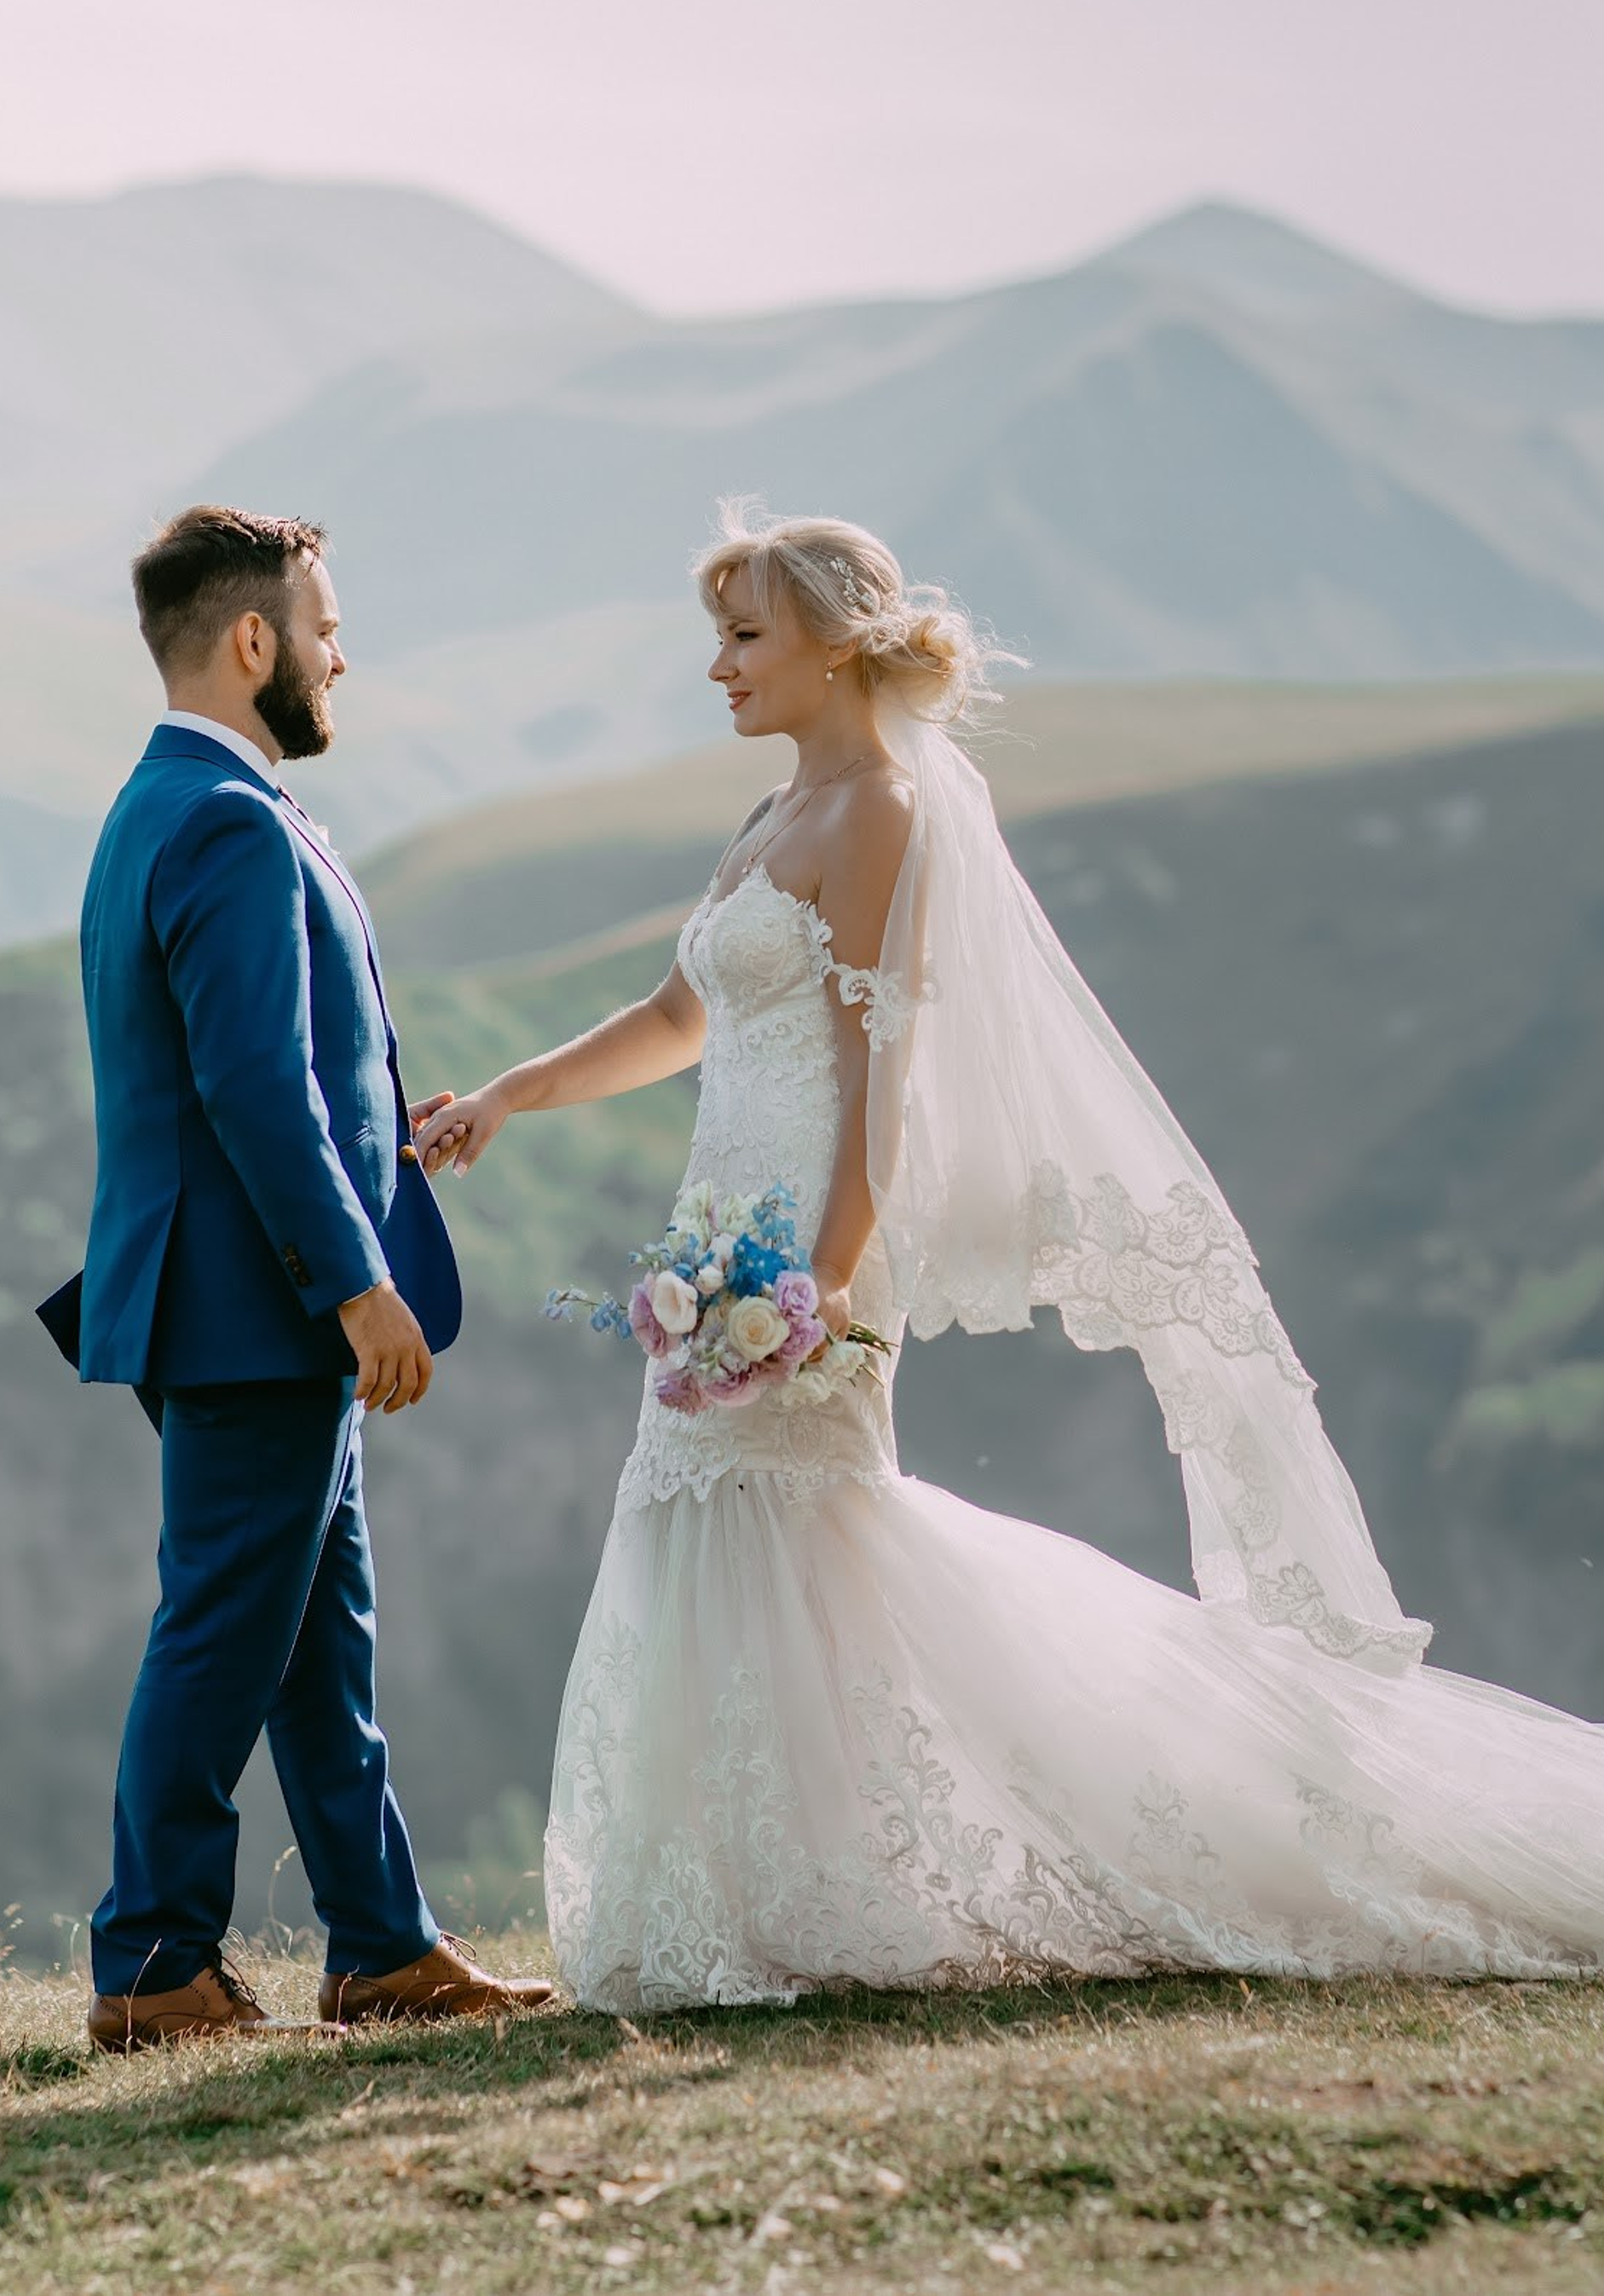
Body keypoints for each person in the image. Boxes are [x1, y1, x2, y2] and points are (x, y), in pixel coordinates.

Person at [414, 504, 1604, 2012]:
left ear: (830, 647)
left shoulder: (880, 814)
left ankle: (841, 1881)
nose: (717, 667)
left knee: (796, 1523)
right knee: (718, 1522)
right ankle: (752, 1887)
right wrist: (507, 1094)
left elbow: (882, 1076)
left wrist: (821, 1281)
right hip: (718, 1236)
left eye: (743, 636)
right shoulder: (770, 815)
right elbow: (672, 1018)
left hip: (805, 1253)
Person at [41, 505, 553, 2047]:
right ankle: (151, 1964)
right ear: (254, 639)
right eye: (325, 629)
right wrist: (352, 1282)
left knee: (322, 1645)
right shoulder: (226, 819)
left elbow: (276, 1069)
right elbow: (252, 1086)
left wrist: (388, 1132)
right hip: (255, 1309)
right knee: (220, 1631)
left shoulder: (170, 801)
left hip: (230, 1296)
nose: (341, 657)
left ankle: (382, 1949)